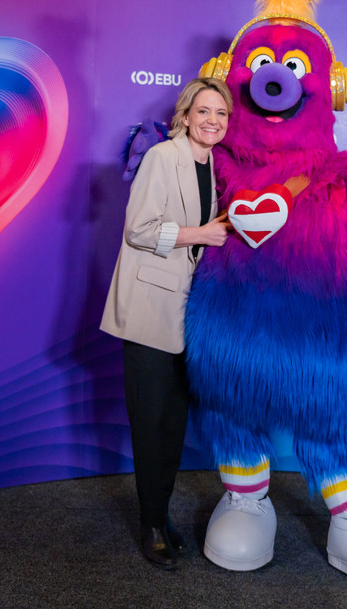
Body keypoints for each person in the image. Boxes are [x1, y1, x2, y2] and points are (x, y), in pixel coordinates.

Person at [100, 77, 232, 569]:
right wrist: (201, 234)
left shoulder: (214, 165)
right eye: (204, 111)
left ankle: (160, 513)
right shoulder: (162, 157)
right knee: (151, 422)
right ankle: (151, 523)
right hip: (149, 309)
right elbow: (138, 229)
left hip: (185, 313)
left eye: (221, 113)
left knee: (173, 424)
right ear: (186, 115)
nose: (212, 121)